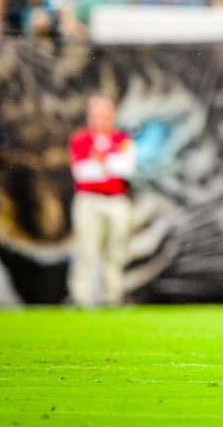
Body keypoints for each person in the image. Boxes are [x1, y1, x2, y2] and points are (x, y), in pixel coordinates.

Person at [68, 94, 136, 307]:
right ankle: (81, 297)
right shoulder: (80, 139)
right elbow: (82, 172)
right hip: (89, 200)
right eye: (95, 113)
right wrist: (110, 164)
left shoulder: (121, 139)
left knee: (115, 252)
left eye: (103, 113)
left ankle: (111, 297)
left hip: (116, 201)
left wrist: (102, 161)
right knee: (87, 251)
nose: (99, 118)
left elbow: (127, 169)